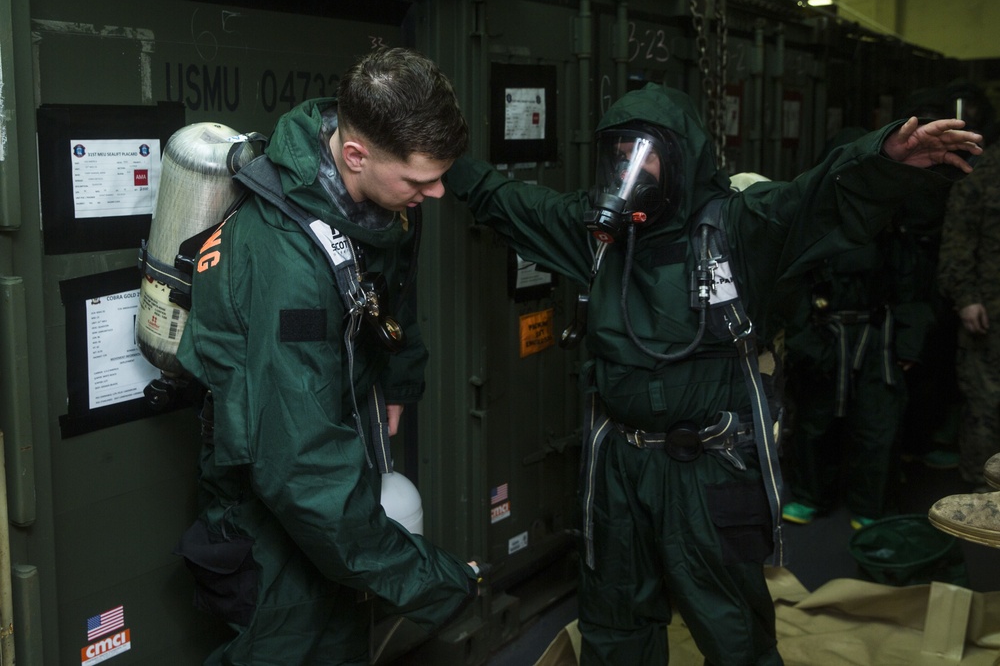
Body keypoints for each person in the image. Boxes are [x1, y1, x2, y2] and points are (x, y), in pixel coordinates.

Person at [444, 82, 981, 665]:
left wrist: (884, 158)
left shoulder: (739, 227)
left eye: (645, 153)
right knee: (614, 617)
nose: (631, 168)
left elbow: (819, 198)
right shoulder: (599, 236)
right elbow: (508, 201)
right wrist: (438, 152)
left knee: (732, 628)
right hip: (618, 466)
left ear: (681, 157)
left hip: (706, 468)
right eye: (620, 155)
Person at [173, 47, 480, 665]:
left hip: (327, 459)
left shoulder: (377, 203)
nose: (439, 193)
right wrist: (433, 583)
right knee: (294, 647)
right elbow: (300, 464)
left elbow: (391, 294)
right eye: (421, 180)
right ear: (355, 154)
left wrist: (400, 380)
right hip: (273, 510)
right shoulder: (286, 260)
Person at [779, 127, 936, 530]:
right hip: (823, 332)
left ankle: (870, 503)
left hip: (876, 337)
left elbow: (911, 285)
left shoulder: (892, 219)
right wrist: (802, 340)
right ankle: (810, 494)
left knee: (877, 423)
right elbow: (790, 284)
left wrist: (908, 341)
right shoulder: (809, 219)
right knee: (813, 422)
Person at [936, 106, 1000, 492]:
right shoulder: (983, 173)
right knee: (986, 403)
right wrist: (966, 297)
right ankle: (984, 488)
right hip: (990, 311)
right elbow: (958, 239)